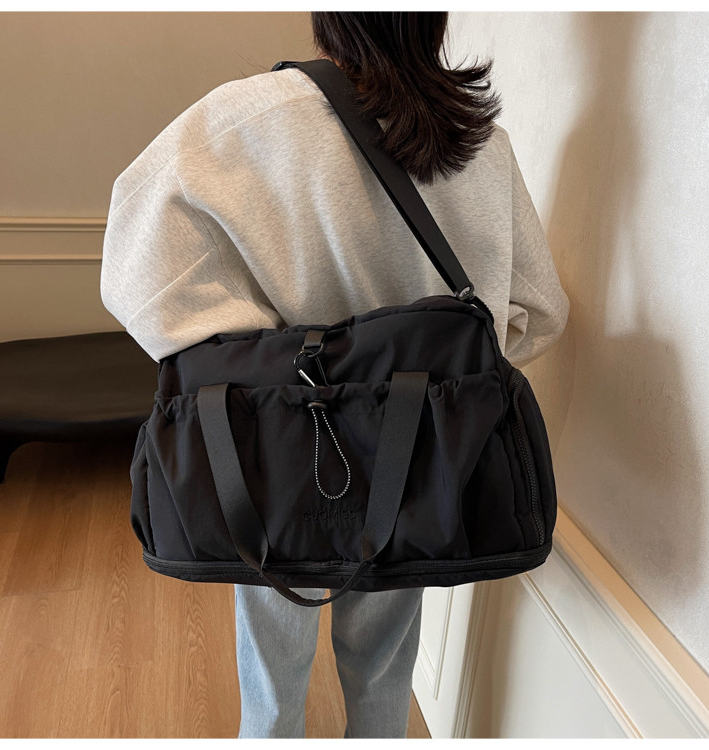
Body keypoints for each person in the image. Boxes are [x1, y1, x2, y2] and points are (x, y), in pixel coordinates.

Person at [100, 12, 569, 739]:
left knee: (272, 666)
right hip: (416, 442)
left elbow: (134, 275)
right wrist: (434, 355)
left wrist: (259, 352)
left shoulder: (237, 122)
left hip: (267, 442)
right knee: (385, 656)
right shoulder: (474, 140)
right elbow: (536, 311)